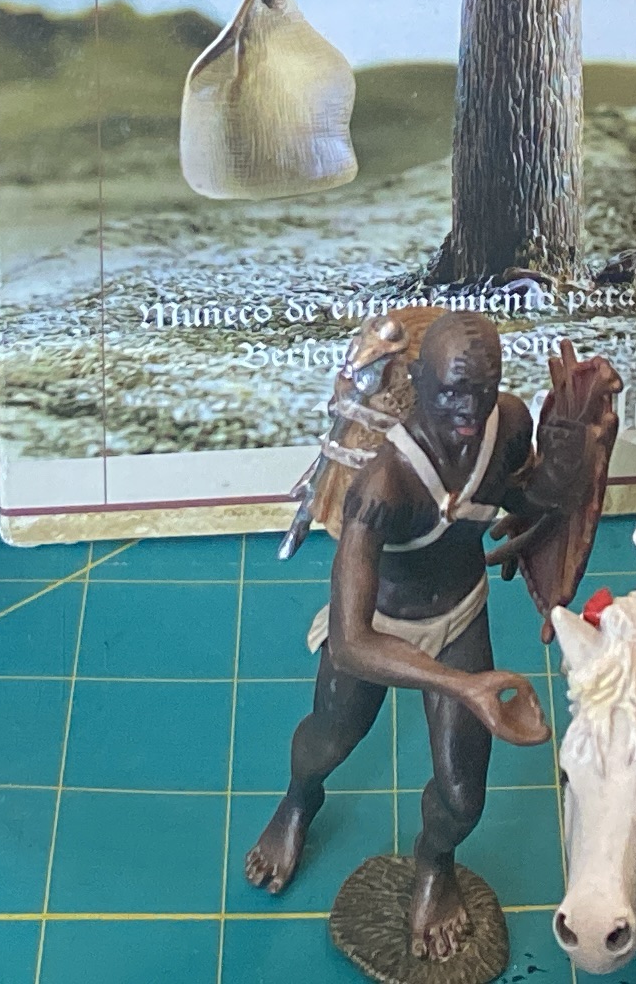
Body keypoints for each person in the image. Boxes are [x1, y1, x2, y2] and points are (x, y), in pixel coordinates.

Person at [247, 313, 590, 966]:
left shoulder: (508, 423)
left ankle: (435, 864)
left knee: (463, 796)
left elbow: (521, 497)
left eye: (481, 391)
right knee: (325, 743)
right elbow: (351, 642)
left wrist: (566, 461)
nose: (468, 410)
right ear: (418, 383)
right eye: (451, 392)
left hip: (460, 613)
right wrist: (465, 687)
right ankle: (298, 801)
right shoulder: (383, 483)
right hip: (381, 627)